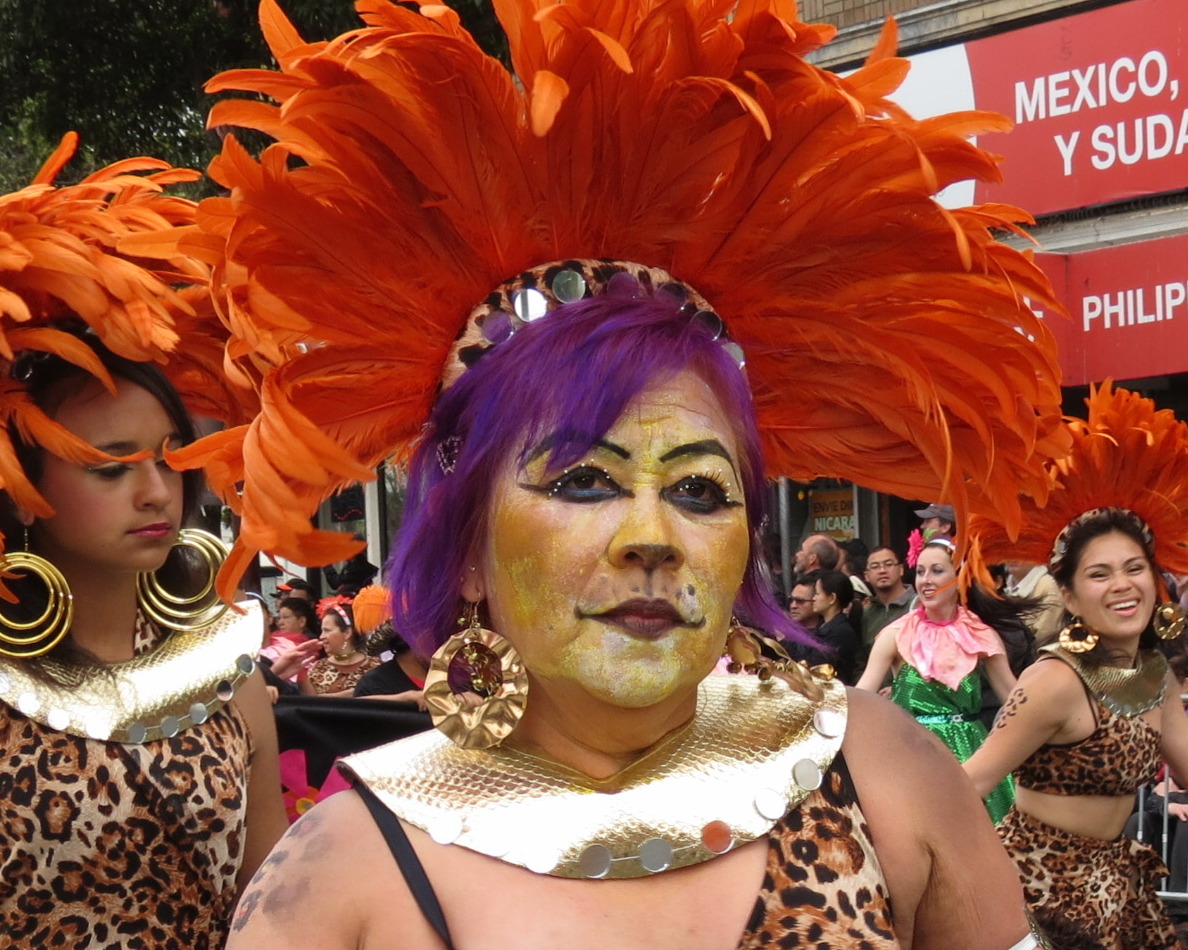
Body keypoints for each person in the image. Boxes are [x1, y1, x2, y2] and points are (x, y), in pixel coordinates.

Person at [183, 3, 1069, 946]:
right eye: (580, 481)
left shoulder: (882, 771)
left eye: (697, 491)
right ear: (469, 549)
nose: (652, 536)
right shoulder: (344, 877)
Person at [0, 137, 286, 947]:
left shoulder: (231, 674)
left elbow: (267, 909)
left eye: (167, 455)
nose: (156, 489)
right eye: (109, 466)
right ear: (24, 493)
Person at [963, 383, 1188, 949]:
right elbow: (972, 783)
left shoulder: (1156, 675)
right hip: (1036, 896)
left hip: (1118, 888)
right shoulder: (1054, 682)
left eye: (1135, 568)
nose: (1123, 586)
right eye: (1099, 573)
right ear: (1068, 595)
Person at [857, 537, 1021, 823]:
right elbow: (861, 698)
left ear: (960, 577)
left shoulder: (981, 634)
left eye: (937, 571)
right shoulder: (896, 635)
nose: (925, 581)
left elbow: (1016, 700)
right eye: (920, 572)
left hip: (971, 754)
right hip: (910, 751)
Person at [300, 598, 381, 697]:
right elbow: (311, 705)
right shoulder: (316, 669)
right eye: (322, 631)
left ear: (347, 633)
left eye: (327, 630)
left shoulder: (375, 667)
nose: (321, 636)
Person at [809, 570, 861, 684]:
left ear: (832, 598)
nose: (813, 598)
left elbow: (816, 664)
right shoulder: (823, 626)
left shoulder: (841, 632)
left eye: (817, 593)